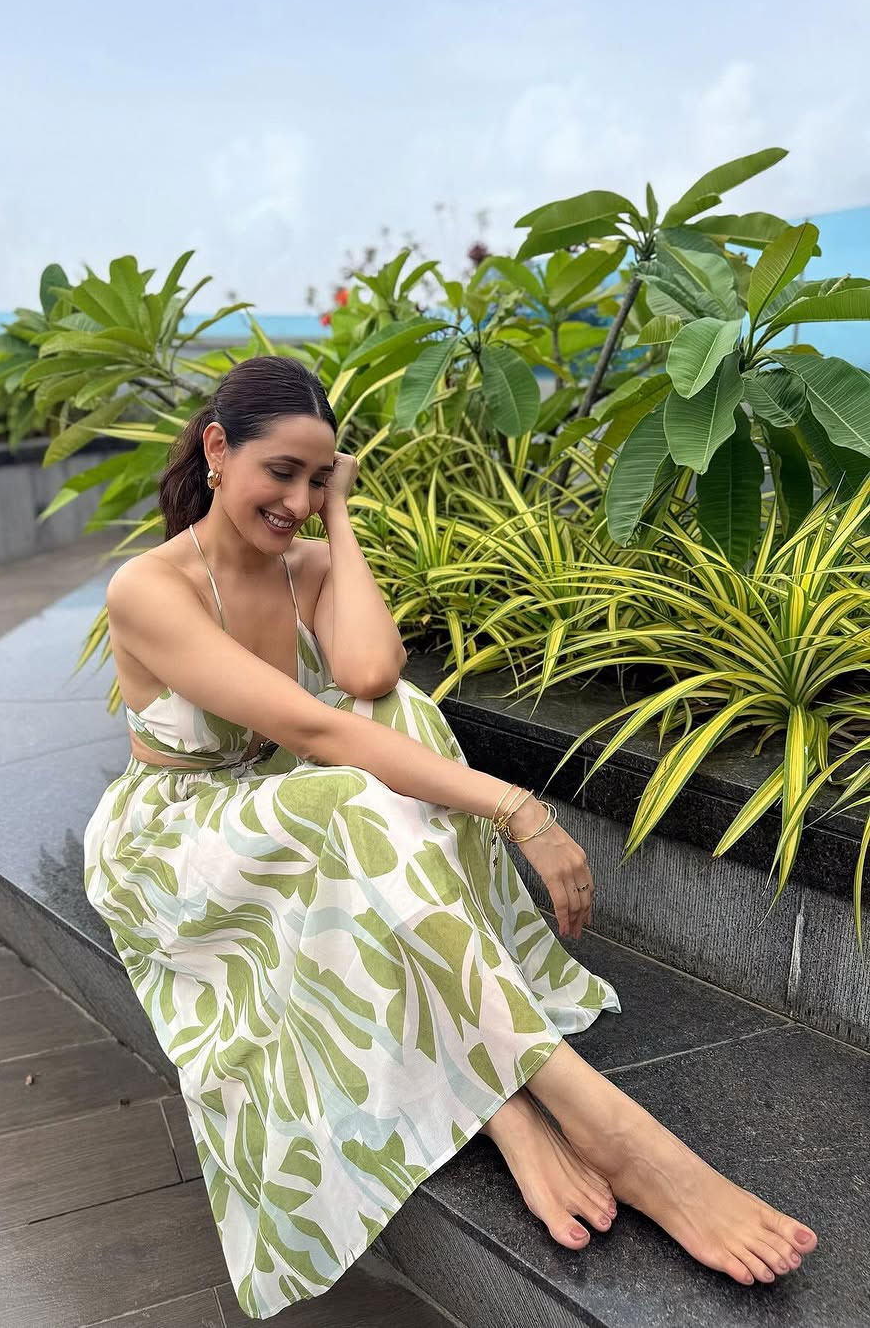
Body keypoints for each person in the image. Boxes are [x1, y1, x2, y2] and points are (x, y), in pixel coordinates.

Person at [83, 354, 817, 1321]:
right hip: (180, 837)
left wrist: (340, 519)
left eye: (317, 478)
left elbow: (368, 672)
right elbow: (313, 730)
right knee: (347, 793)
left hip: (284, 802)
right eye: (281, 473)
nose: (297, 502)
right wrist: (518, 806)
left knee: (406, 714)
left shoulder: (305, 559)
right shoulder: (148, 586)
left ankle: (501, 1102)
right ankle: (595, 1119)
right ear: (218, 448)